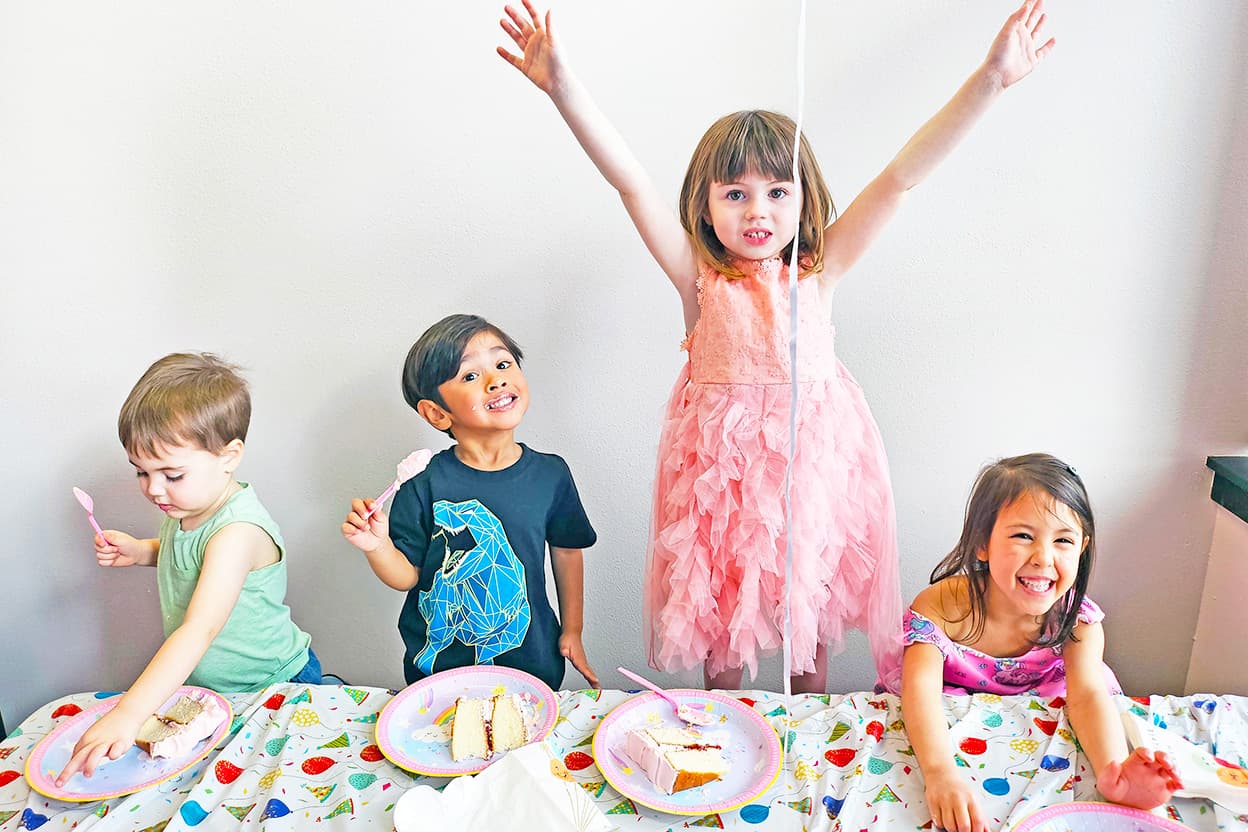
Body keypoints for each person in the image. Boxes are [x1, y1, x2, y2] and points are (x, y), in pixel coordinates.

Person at [498, 0, 1056, 692]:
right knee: (719, 632)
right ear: (704, 206)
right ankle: (722, 739)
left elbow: (901, 177)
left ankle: (805, 749)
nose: (756, 210)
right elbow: (629, 181)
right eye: (734, 193)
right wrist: (562, 88)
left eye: (775, 192)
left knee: (807, 637)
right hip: (716, 485)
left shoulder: (819, 276)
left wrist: (991, 80)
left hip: (809, 483)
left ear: (803, 201)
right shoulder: (697, 277)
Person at [57, 353, 320, 785]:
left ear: (229, 456)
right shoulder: (188, 508)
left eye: (171, 474)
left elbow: (200, 628)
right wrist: (144, 550)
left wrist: (129, 713)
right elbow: (193, 556)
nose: (154, 489)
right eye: (141, 472)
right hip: (218, 690)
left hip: (273, 687)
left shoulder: (237, 531)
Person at [901, 454, 1182, 832]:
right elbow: (919, 692)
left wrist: (1114, 772)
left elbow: (1087, 696)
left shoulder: (1078, 621)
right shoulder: (941, 606)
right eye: (1023, 536)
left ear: (1081, 546)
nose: (1043, 558)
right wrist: (939, 773)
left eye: (1063, 540)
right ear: (982, 542)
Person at [341, 314, 598, 691]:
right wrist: (377, 546)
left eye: (503, 363)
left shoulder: (551, 474)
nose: (496, 379)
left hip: (531, 662)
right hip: (439, 674)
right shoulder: (422, 481)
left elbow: (567, 551)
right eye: (470, 376)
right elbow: (408, 576)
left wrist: (572, 629)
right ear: (436, 413)